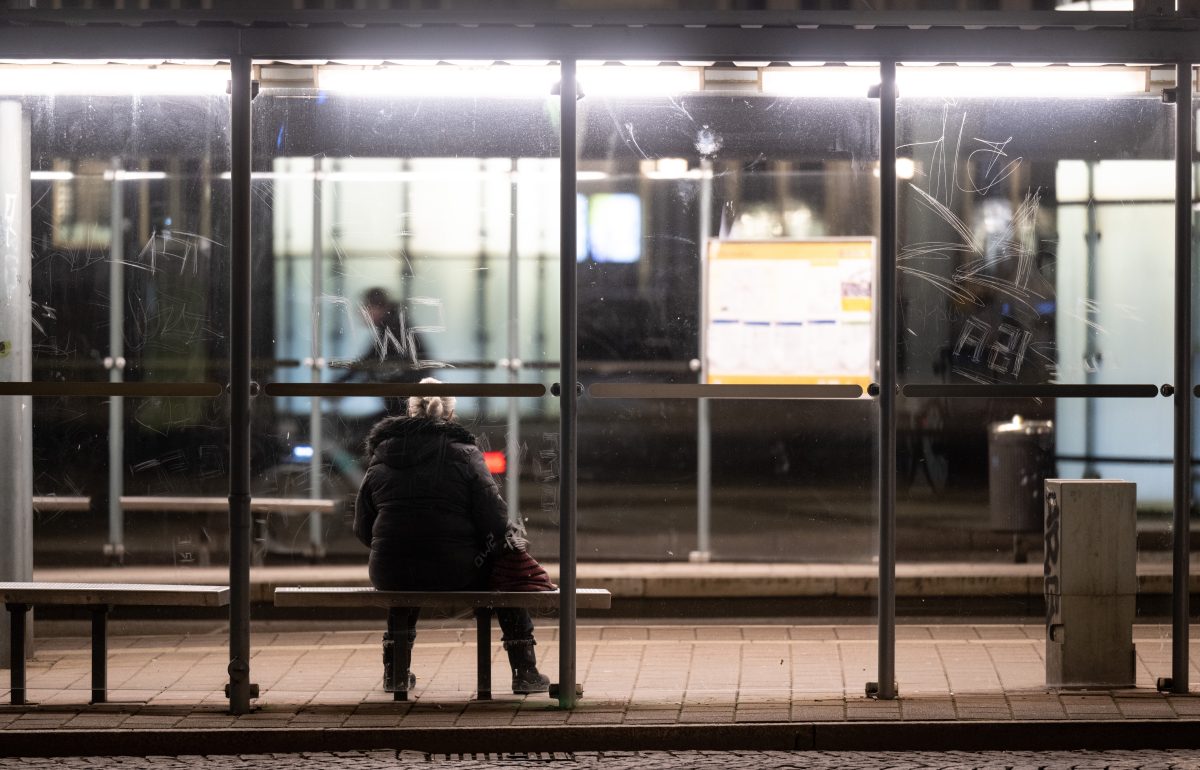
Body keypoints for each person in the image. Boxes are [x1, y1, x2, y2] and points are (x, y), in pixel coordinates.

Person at [353, 378, 552, 695]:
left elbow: (363, 529)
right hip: (457, 570)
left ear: (410, 408)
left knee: (404, 567)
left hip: (390, 572)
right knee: (505, 572)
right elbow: (497, 525)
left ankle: (395, 672)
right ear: (450, 411)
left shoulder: (382, 456)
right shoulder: (466, 454)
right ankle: (525, 671)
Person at [339, 287, 428, 415]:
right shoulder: (394, 326)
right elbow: (368, 360)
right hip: (406, 402)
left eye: (366, 308)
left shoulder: (393, 329)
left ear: (378, 308)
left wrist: (343, 384)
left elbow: (368, 361)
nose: (361, 314)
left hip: (405, 404)